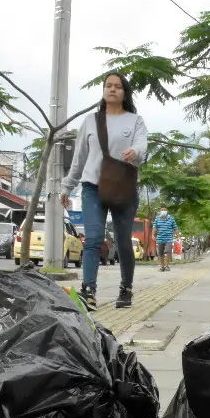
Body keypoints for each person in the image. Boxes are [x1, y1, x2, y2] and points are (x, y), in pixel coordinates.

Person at [62, 72, 147, 309]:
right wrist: (67, 186)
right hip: (92, 187)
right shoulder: (91, 121)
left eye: (117, 86)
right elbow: (79, 158)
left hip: (123, 188)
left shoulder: (135, 121)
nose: (112, 89)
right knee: (94, 239)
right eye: (108, 86)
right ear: (103, 91)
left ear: (124, 92)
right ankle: (88, 291)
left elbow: (142, 146)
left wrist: (136, 153)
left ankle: (126, 288)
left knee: (123, 242)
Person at [154, 207, 177, 271]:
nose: (163, 211)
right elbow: (155, 227)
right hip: (160, 239)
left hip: (169, 238)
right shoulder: (157, 218)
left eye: (164, 210)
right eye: (162, 210)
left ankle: (167, 265)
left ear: (167, 211)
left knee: (168, 251)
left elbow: (175, 228)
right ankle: (162, 266)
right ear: (160, 211)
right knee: (160, 253)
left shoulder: (171, 218)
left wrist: (178, 236)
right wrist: (153, 235)